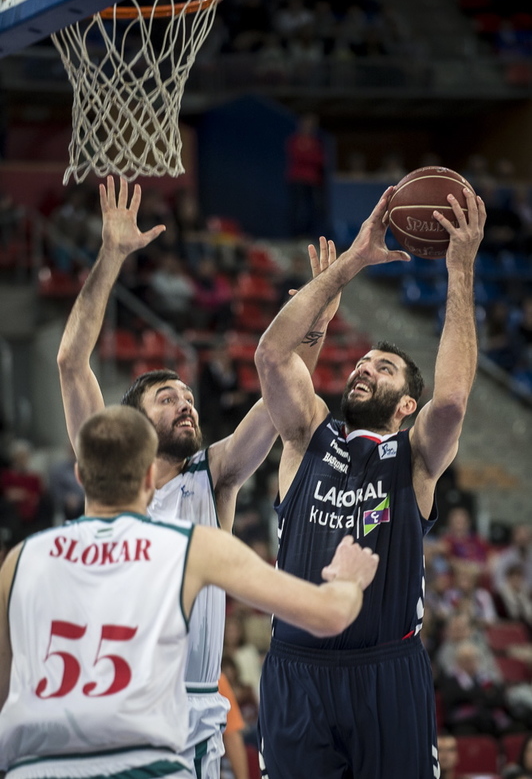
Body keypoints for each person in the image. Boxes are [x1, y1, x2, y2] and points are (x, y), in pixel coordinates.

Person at [56, 176, 340, 779]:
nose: (185, 403)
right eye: (166, 397)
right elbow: (71, 363)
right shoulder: (106, 472)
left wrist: (314, 323)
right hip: (117, 703)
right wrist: (110, 256)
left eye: (188, 396)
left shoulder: (214, 475)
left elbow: (280, 406)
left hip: (192, 709)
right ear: (131, 419)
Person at [0, 405, 380, 777]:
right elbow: (329, 615)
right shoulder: (189, 546)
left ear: (80, 476)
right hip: (141, 761)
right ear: (150, 476)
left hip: (35, 764)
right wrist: (348, 580)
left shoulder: (21, 560)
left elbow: (4, 690)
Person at [254, 184, 486, 778]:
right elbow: (272, 357)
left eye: (382, 369)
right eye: (360, 364)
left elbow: (454, 398)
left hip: (388, 668)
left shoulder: (413, 458)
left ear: (407, 404)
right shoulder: (307, 435)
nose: (363, 369)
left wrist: (459, 273)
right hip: (298, 669)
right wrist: (349, 266)